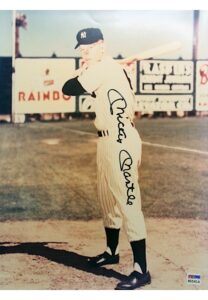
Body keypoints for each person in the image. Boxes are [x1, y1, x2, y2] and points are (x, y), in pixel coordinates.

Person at [62, 28, 151, 290]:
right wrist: (86, 70)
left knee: (127, 199)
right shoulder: (106, 69)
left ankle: (141, 269)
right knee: (107, 199)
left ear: (102, 45)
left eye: (89, 47)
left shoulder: (102, 69)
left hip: (121, 140)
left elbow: (69, 88)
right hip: (106, 140)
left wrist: (80, 72)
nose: (84, 51)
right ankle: (111, 252)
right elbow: (85, 90)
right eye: (81, 48)